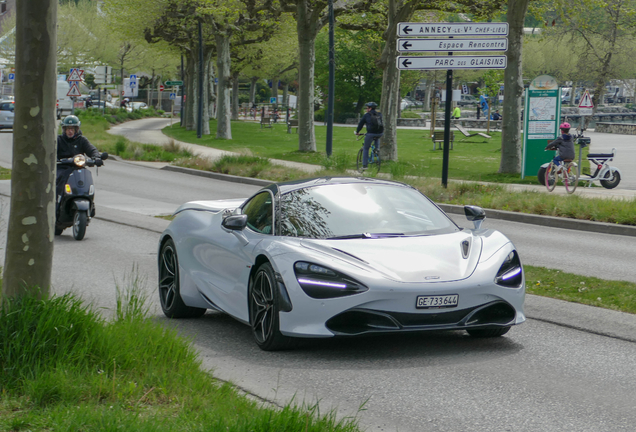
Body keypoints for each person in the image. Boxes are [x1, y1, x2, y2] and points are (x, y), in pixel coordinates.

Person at [56, 115, 102, 213]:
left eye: (72, 129)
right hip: (62, 167)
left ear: (77, 129)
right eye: (68, 129)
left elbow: (92, 150)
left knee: (87, 178)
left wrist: (96, 157)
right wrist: (55, 159)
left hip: (78, 168)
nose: (70, 131)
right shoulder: (59, 140)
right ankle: (56, 204)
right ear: (64, 129)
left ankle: (90, 202)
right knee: (58, 181)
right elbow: (51, 151)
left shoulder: (82, 140)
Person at [354, 102, 384, 169]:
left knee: (366, 148)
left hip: (370, 134)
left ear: (370, 108)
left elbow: (360, 124)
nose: (366, 109)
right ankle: (377, 149)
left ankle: (365, 165)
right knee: (377, 137)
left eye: (367, 108)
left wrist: (357, 132)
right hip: (380, 133)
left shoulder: (366, 115)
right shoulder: (379, 114)